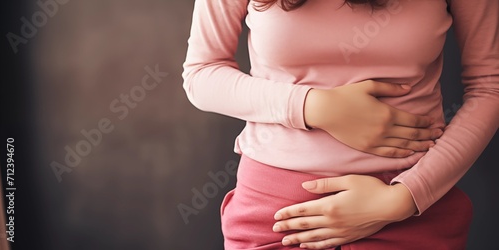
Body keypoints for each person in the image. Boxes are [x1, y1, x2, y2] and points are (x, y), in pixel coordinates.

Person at [182, 0, 499, 249]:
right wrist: (314, 107)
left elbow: (490, 87)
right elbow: (202, 74)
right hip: (276, 221)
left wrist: (403, 198)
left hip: (414, 213)